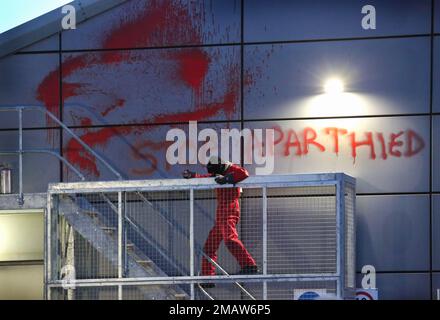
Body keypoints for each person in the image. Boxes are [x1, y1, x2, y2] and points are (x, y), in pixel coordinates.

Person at [183, 156, 258, 288]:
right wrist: (193, 175)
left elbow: (244, 173)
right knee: (209, 248)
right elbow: (206, 177)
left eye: (214, 173)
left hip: (229, 209)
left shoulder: (232, 169)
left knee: (230, 239)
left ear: (221, 167)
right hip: (221, 214)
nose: (213, 175)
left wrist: (227, 179)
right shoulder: (217, 172)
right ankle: (207, 279)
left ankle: (249, 265)